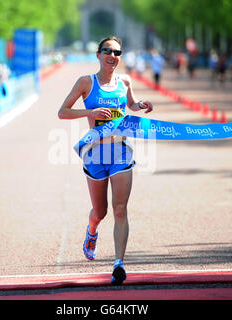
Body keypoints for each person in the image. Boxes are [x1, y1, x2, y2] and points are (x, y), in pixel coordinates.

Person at [58, 36, 153, 285]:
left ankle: (118, 264)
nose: (113, 55)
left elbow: (130, 104)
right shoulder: (86, 83)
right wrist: (89, 112)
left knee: (120, 209)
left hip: (121, 152)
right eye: (108, 51)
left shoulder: (125, 81)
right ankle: (91, 231)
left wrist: (140, 105)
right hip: (96, 155)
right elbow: (62, 112)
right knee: (100, 211)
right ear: (98, 55)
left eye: (117, 52)